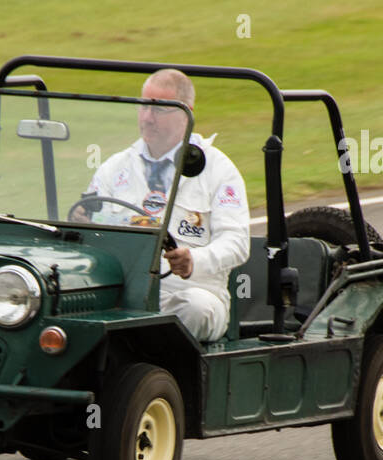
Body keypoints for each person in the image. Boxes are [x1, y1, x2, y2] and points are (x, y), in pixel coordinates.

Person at [73, 69, 250, 341]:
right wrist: (81, 222)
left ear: (186, 113)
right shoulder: (116, 167)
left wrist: (194, 260)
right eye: (144, 106)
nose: (147, 118)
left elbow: (237, 243)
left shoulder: (218, 170)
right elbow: (88, 225)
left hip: (188, 292)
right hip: (121, 294)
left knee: (196, 309)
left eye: (159, 110)